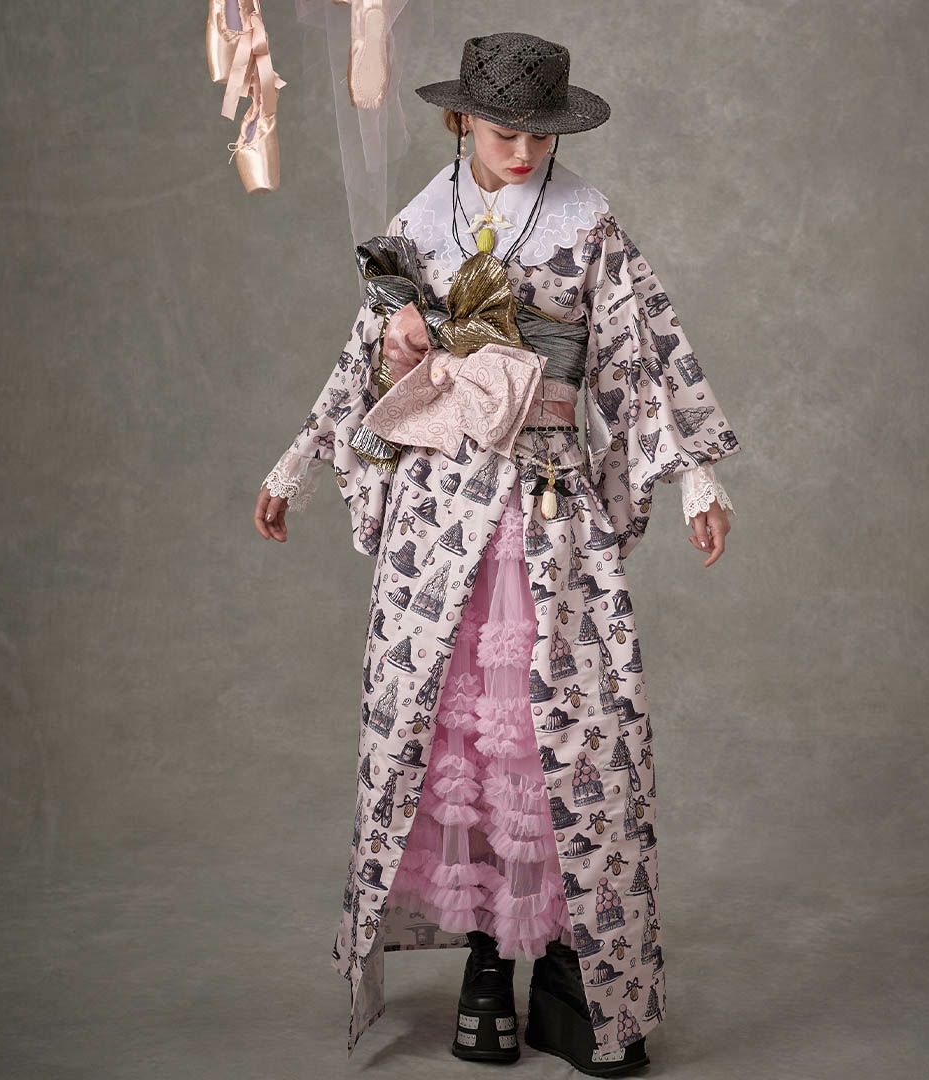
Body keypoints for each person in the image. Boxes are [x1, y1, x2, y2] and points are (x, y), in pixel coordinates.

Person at [253, 31, 743, 1075]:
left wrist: (696, 472)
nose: (522, 151)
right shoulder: (416, 227)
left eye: (540, 134)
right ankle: (486, 958)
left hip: (549, 508)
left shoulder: (588, 225)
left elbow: (641, 354)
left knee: (566, 731)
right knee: (457, 734)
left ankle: (572, 972)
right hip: (439, 515)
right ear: (461, 119)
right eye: (503, 131)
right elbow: (361, 361)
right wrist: (299, 463)